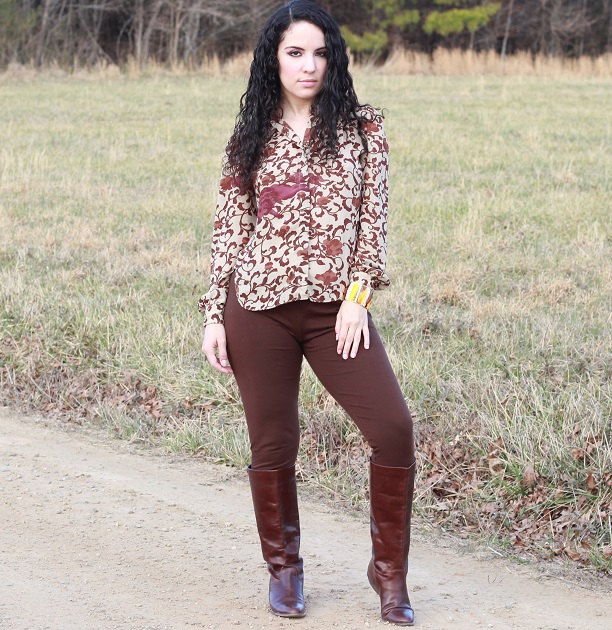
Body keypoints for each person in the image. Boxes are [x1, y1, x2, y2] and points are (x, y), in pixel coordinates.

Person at [199, 0, 416, 625]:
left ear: (334, 59)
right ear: (274, 57)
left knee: (393, 429)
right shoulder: (251, 134)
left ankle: (389, 573)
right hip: (257, 308)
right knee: (272, 443)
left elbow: (370, 225)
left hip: (334, 312)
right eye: (295, 52)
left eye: (320, 52)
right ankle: (285, 571)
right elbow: (229, 229)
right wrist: (215, 312)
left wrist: (357, 301)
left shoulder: (362, 127)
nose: (309, 64)